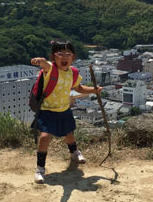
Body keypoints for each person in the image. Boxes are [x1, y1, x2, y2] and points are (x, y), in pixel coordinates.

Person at [30, 39, 102, 184]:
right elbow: (44, 64)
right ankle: (40, 168)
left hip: (64, 109)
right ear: (53, 57)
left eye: (68, 54)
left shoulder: (73, 73)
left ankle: (74, 152)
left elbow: (79, 88)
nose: (64, 57)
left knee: (69, 133)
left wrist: (94, 90)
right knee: (44, 137)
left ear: (73, 57)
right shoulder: (51, 70)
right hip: (47, 110)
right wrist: (40, 61)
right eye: (60, 54)